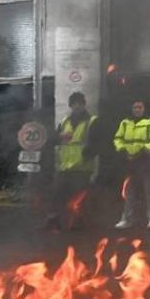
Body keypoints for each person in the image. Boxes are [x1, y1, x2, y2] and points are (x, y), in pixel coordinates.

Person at [46, 92, 97, 231]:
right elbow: (53, 140)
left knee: (79, 199)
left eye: (79, 103)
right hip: (64, 167)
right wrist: (60, 136)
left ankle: (78, 223)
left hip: (82, 168)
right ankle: (53, 221)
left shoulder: (92, 121)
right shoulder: (64, 122)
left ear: (83, 104)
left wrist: (87, 155)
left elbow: (97, 143)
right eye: (74, 103)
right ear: (70, 105)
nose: (76, 106)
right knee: (56, 195)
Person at [113, 100, 150, 230]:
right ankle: (127, 219)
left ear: (144, 108)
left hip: (146, 160)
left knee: (149, 190)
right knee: (129, 191)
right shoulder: (124, 123)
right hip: (130, 161)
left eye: (140, 107)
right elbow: (117, 139)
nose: (137, 109)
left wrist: (143, 150)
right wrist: (122, 150)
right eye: (135, 107)